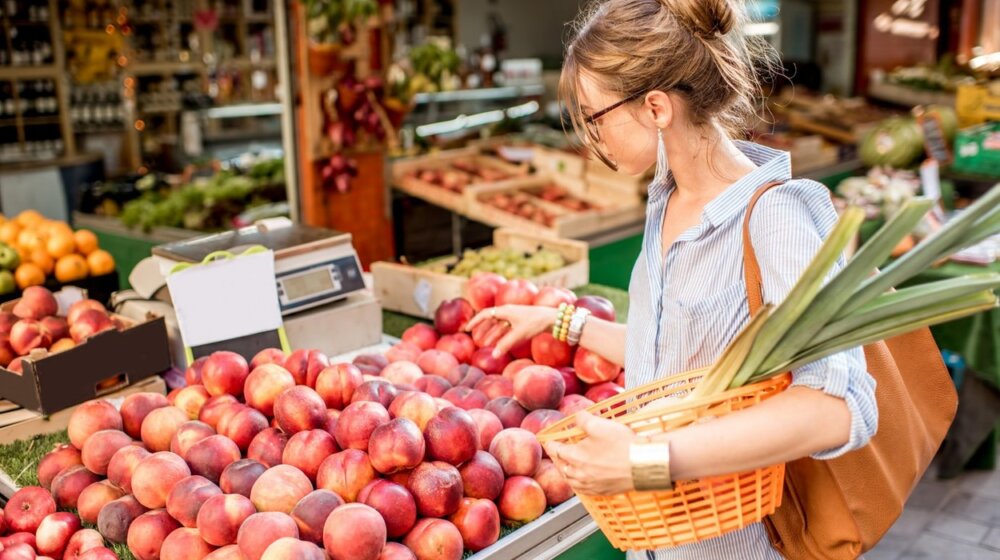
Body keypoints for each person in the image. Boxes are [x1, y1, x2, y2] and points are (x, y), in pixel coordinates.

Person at [464, 0, 878, 558]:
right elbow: (671, 363)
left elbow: (839, 406)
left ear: (656, 107)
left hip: (737, 546)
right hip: (659, 542)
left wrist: (648, 461)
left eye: (595, 115)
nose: (592, 134)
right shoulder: (669, 198)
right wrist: (560, 321)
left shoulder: (777, 217)